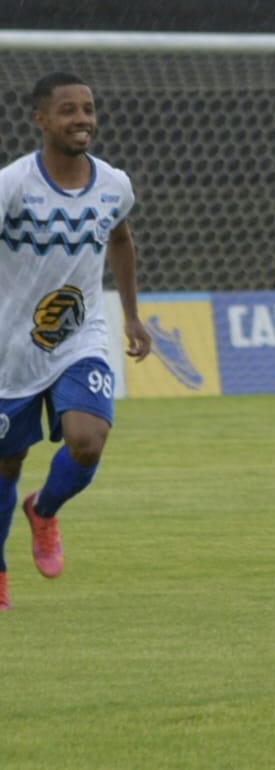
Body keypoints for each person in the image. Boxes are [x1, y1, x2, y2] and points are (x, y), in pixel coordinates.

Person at [0, 73, 153, 612]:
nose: (82, 119)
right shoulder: (12, 185)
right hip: (11, 349)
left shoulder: (114, 184)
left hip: (79, 337)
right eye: (68, 111)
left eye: (88, 108)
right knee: (7, 461)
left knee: (88, 438)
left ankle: (44, 510)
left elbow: (121, 239)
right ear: (41, 119)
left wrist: (131, 316)